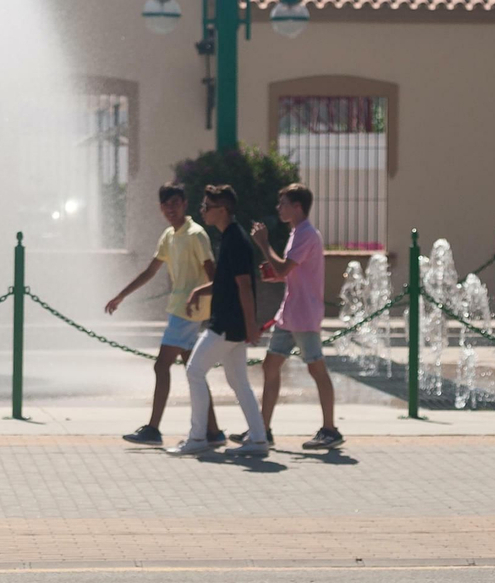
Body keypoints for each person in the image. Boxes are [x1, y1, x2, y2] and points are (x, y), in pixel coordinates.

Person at [105, 182, 223, 447]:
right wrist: (122, 295)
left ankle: (153, 428)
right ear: (161, 208)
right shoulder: (170, 236)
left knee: (161, 366)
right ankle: (214, 432)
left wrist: (201, 297)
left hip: (188, 311)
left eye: (175, 203)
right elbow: (150, 271)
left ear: (184, 204)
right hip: (180, 309)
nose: (170, 209)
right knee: (196, 372)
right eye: (165, 205)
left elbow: (213, 273)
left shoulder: (196, 234)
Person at [169, 184, 270, 457]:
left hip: (228, 323)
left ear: (222, 210)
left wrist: (251, 324)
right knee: (239, 381)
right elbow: (224, 281)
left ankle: (197, 437)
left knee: (194, 371)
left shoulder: (235, 240)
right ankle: (259, 440)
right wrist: (198, 292)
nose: (203, 211)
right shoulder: (229, 237)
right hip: (231, 322)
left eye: (207, 207)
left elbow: (244, 286)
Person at [247, 183, 342, 450]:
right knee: (270, 366)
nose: (279, 208)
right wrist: (274, 271)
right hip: (290, 314)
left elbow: (284, 267)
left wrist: (264, 244)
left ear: (297, 207)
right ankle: (262, 429)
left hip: (303, 315)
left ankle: (330, 429)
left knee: (316, 368)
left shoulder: (306, 234)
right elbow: (286, 272)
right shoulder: (297, 233)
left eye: (283, 203)